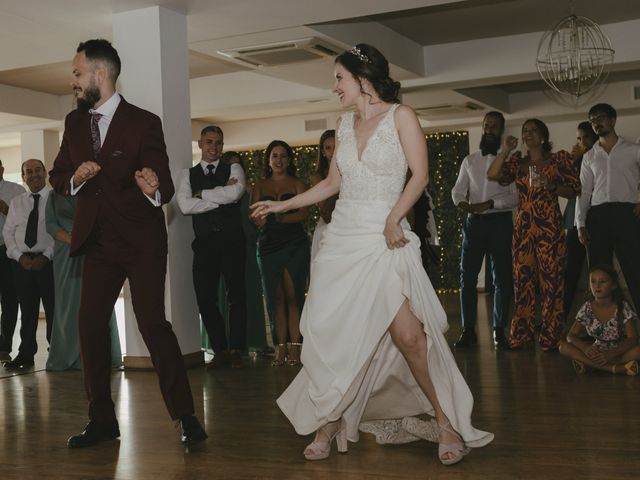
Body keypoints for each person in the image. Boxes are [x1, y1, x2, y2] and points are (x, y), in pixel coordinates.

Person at [251, 44, 492, 466]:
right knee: (344, 340)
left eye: (339, 78)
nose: (334, 87)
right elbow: (330, 184)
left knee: (411, 338)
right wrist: (281, 205)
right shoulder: (344, 126)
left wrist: (395, 217)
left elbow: (419, 175)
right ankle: (329, 423)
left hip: (385, 240)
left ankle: (446, 423)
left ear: (363, 79)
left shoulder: (402, 116)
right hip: (342, 241)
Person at [48, 39, 206, 448]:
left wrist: (153, 188)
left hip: (140, 241)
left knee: (153, 324)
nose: (73, 81)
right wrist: (76, 178)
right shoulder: (73, 123)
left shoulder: (143, 122)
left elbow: (165, 185)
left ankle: (186, 417)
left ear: (100, 75)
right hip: (98, 243)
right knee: (89, 324)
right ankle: (102, 420)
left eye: (78, 73)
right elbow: (59, 175)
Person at [487, 119, 580, 350]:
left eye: (533, 130)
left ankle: (550, 337)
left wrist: (552, 186)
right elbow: (493, 174)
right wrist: (506, 150)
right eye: (525, 131)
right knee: (522, 282)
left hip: (549, 227)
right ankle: (522, 334)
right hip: (523, 229)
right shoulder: (518, 162)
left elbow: (574, 191)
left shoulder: (558, 160)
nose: (528, 134)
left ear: (543, 136)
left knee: (552, 283)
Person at [176, 126, 246, 369]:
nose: (213, 147)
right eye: (209, 141)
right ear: (200, 143)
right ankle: (221, 350)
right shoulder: (187, 174)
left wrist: (201, 195)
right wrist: (220, 198)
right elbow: (185, 206)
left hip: (233, 242)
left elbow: (236, 193)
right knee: (205, 298)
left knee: (236, 296)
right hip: (204, 245)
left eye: (218, 142)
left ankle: (237, 349)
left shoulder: (234, 168)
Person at [451, 111, 517, 350]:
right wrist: (464, 204)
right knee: (466, 278)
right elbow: (458, 190)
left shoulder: (510, 162)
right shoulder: (469, 161)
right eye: (486, 125)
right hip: (474, 223)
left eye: (494, 126)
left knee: (502, 278)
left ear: (501, 130)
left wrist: (490, 204)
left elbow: (514, 199)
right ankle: (468, 330)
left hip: (500, 222)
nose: (489, 129)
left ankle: (499, 331)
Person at [44, 191, 122, 371]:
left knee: (97, 300)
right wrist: (72, 239)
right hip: (65, 253)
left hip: (92, 249)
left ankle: (100, 356)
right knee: (67, 304)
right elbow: (50, 223)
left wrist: (84, 238)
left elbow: (105, 218)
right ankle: (66, 356)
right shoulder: (54, 195)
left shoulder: (94, 189)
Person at [575, 103, 640, 313]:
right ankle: (603, 325)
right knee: (600, 276)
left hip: (627, 214)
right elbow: (583, 192)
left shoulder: (633, 149)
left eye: (600, 118)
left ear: (612, 120)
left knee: (635, 270)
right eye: (592, 119)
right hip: (598, 216)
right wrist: (580, 223)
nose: (596, 123)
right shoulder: (589, 156)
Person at [251, 140, 310, 367]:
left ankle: (295, 348)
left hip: (294, 244)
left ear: (289, 159)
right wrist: (258, 219)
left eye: (283, 156)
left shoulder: (297, 184)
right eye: (274, 156)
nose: (279, 160)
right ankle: (280, 347)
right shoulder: (260, 185)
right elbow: (253, 216)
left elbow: (305, 212)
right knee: (274, 298)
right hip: (268, 246)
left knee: (293, 296)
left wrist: (283, 216)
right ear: (268, 159)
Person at [2, 159, 54, 370]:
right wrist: (18, 256)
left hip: (48, 262)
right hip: (21, 264)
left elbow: (58, 231)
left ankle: (56, 352)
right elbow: (8, 232)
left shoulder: (55, 199)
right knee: (28, 310)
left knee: (53, 310)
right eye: (28, 172)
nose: (33, 175)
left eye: (37, 170)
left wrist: (46, 256)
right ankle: (26, 354)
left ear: (45, 173)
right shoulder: (18, 202)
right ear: (23, 177)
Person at [559, 264, 639, 375]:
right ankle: (615, 369)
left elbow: (633, 339)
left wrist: (611, 353)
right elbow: (570, 336)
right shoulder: (587, 308)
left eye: (603, 282)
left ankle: (590, 365)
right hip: (596, 351)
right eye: (593, 281)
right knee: (563, 347)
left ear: (613, 285)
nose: (597, 286)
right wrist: (585, 348)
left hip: (619, 351)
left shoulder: (622, 306)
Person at [563, 122, 597, 319]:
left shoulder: (598, 157)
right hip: (574, 219)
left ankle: (596, 319)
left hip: (596, 217)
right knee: (570, 271)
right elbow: (569, 191)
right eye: (578, 138)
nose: (582, 142)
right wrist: (572, 162)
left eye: (585, 137)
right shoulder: (574, 160)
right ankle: (559, 318)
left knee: (596, 270)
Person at [0, 159, 25, 363]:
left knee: (9, 298)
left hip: (7, 251)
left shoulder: (15, 190)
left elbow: (25, 220)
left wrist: (6, 210)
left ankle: (4, 345)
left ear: (2, 168)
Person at [310, 129, 336, 260]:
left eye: (336, 146)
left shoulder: (352, 170)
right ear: (323, 152)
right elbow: (324, 208)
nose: (332, 152)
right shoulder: (317, 176)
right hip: (328, 224)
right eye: (328, 148)